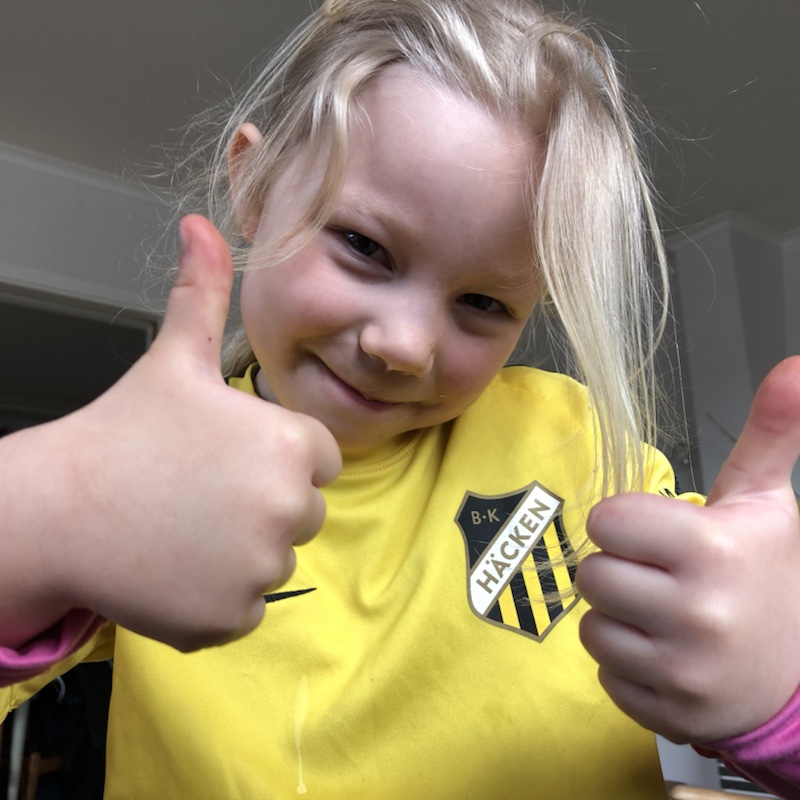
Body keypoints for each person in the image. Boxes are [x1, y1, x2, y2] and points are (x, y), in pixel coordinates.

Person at [1, 0, 799, 797]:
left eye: (483, 303)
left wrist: (778, 706)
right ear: (254, 185)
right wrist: (41, 513)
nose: (406, 346)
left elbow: (724, 624)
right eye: (364, 246)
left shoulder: (574, 441)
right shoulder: (157, 473)